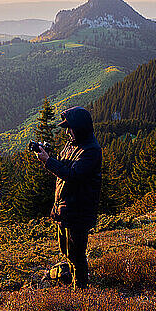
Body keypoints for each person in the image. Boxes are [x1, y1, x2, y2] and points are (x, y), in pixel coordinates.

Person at [35, 106, 102, 290]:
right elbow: (64, 168)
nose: (67, 132)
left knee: (76, 254)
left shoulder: (91, 151)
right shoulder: (72, 145)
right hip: (64, 209)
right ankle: (72, 280)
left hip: (78, 212)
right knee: (66, 250)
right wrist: (48, 156)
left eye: (69, 128)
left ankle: (80, 291)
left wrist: (47, 161)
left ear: (79, 128)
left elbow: (73, 175)